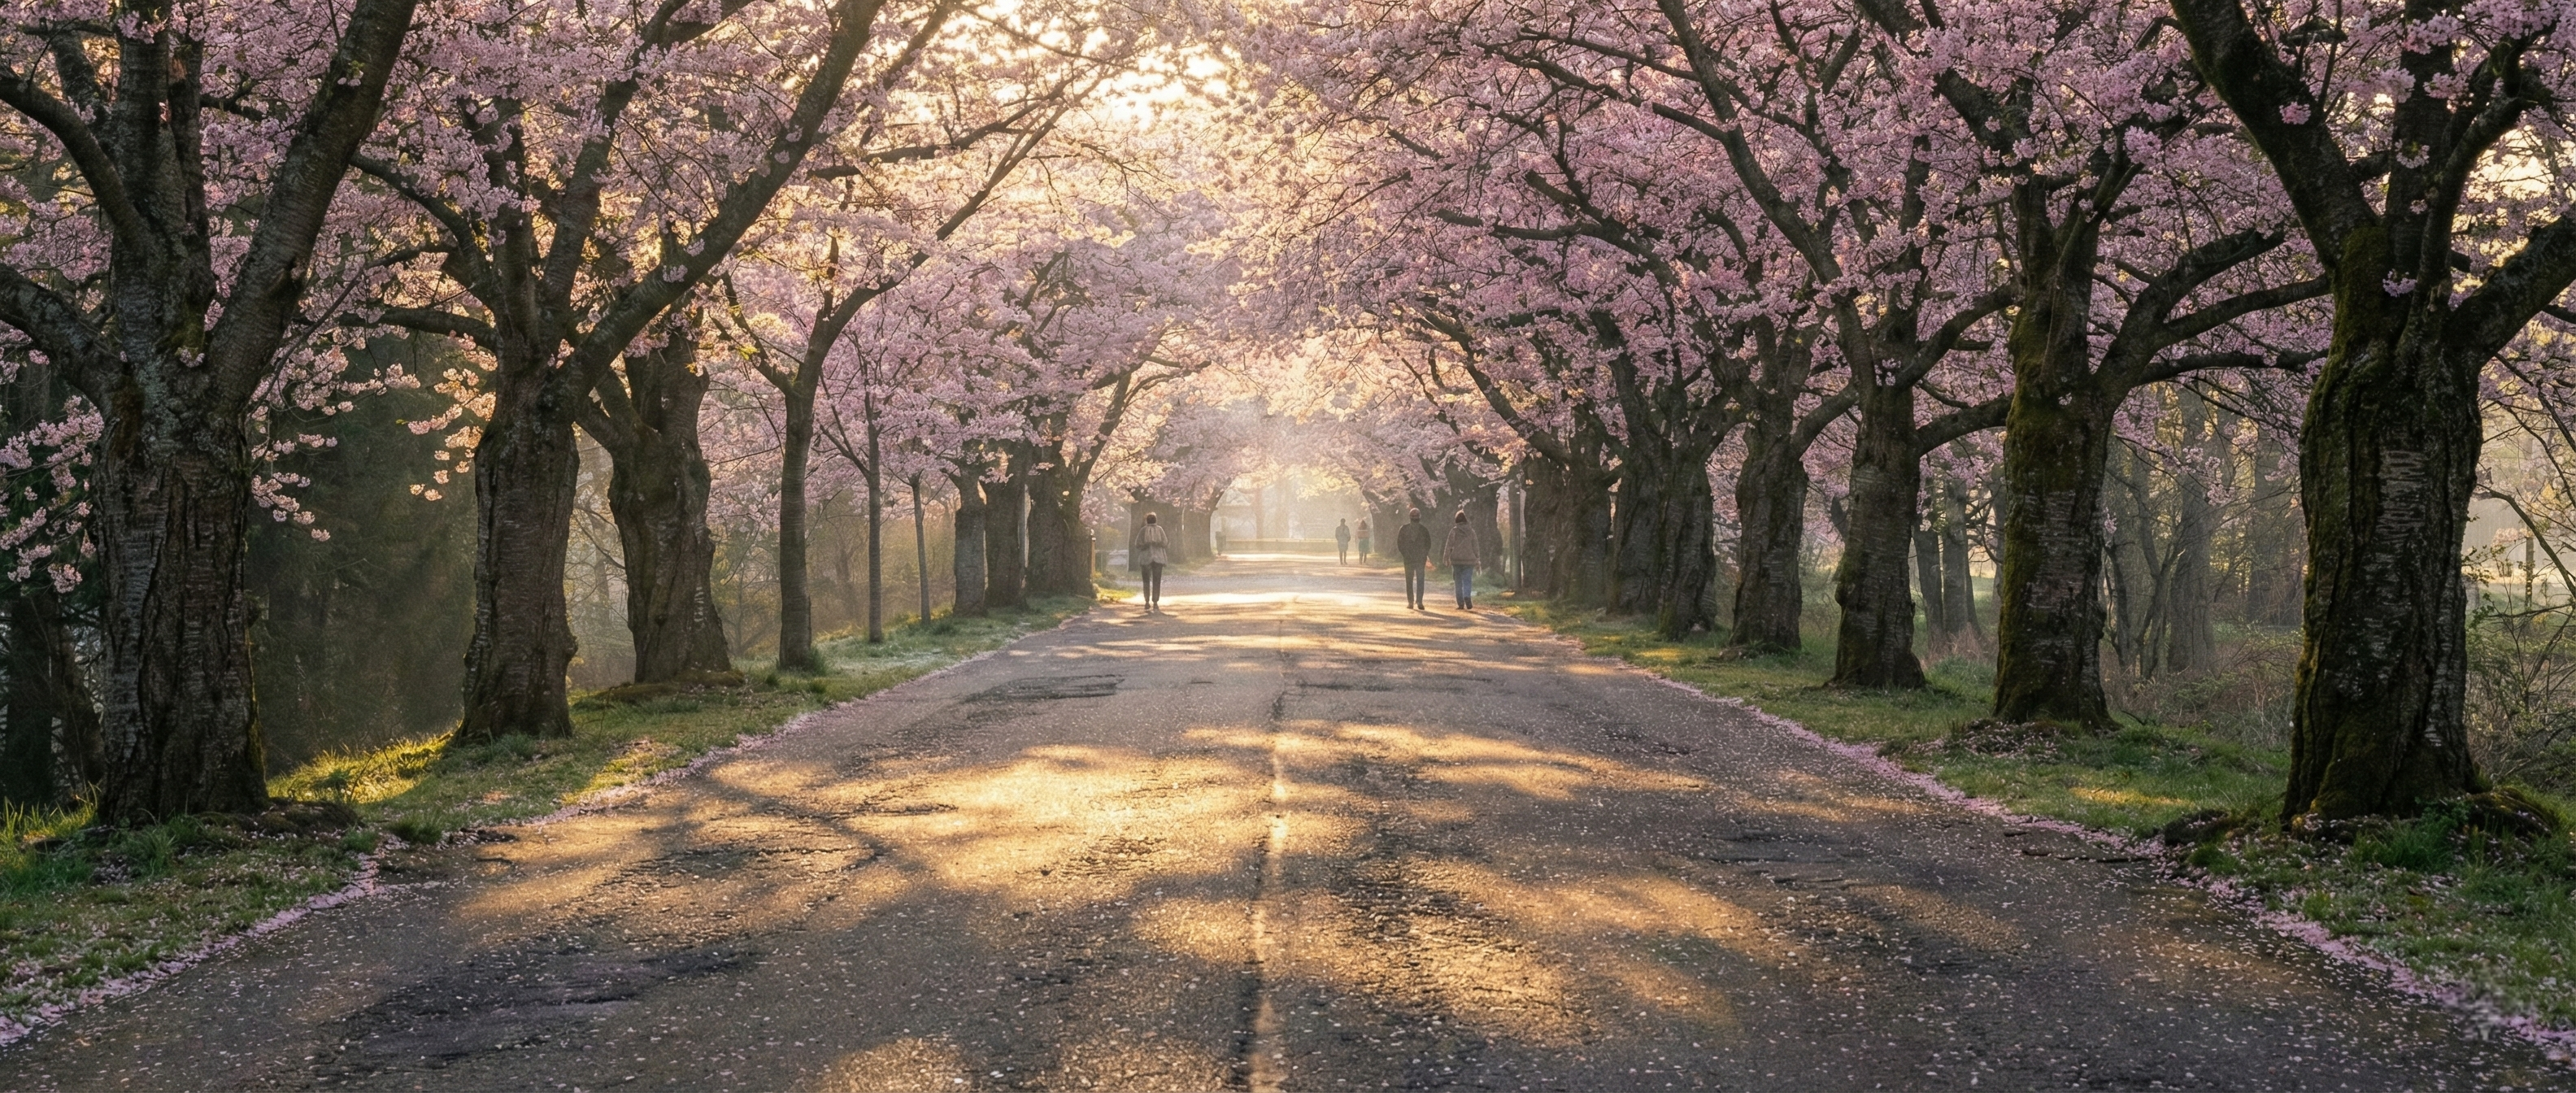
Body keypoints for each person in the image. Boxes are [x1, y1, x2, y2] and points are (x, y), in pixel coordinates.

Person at [1133, 512, 1171, 612]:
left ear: (1146, 521)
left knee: (1146, 581)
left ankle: (1147, 601)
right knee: (1156, 581)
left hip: (1146, 558)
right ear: (1156, 520)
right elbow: (1165, 543)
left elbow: (1137, 544)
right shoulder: (1160, 530)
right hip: (1158, 558)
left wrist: (1146, 545)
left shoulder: (1143, 530)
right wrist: (1157, 544)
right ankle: (1155, 602)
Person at [1395, 508, 1432, 610]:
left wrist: (1405, 554)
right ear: (1420, 517)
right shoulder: (1424, 530)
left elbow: (1400, 544)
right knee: (1420, 580)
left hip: (1408, 559)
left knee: (1409, 580)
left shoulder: (1404, 529)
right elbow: (1428, 544)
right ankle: (1419, 601)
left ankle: (1410, 602)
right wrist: (1424, 554)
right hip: (1420, 559)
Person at [1446, 511, 1482, 609]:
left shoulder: (1454, 531)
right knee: (1467, 580)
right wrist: (1477, 558)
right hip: (1469, 560)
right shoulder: (1471, 531)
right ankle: (1467, 596)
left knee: (1458, 581)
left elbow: (1448, 546)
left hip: (1456, 560)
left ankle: (1460, 603)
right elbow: (1475, 546)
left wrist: (1446, 558)